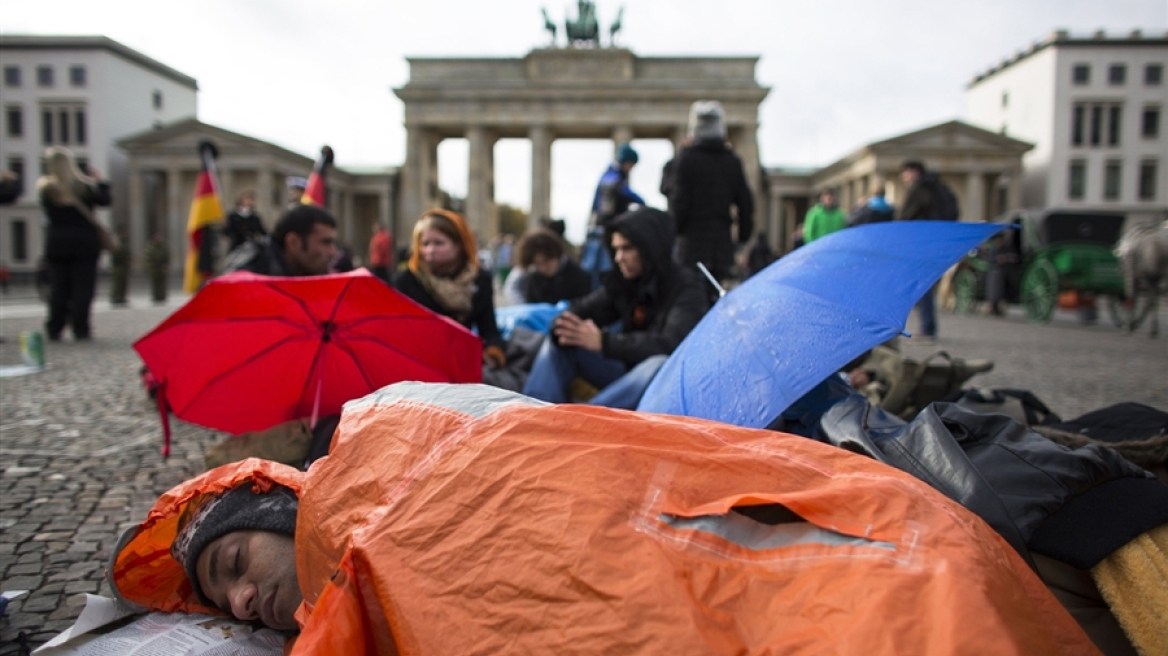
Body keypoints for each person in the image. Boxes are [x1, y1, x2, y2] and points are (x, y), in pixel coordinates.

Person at [110, 382, 1122, 654]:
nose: (242, 594)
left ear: (278, 504)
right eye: (228, 604)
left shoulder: (378, 464)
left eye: (236, 554)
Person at [522, 207, 709, 410]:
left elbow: (672, 345)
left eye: (627, 248)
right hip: (624, 374)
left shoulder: (687, 287)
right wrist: (564, 326)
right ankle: (533, 416)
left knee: (658, 364)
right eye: (616, 249)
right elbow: (582, 309)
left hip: (659, 383)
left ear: (650, 247)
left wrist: (605, 342)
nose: (619, 257)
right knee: (562, 341)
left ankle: (583, 423)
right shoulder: (625, 283)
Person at [392, 209, 506, 371]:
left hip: (462, 363)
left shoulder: (480, 280)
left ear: (459, 245)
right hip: (419, 364)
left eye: (439, 243)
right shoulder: (407, 280)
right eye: (425, 244)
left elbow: (489, 329)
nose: (430, 250)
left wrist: (493, 354)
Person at [669, 100, 754, 286]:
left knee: (690, 295)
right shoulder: (732, 161)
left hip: (691, 244)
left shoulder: (686, 160)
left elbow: (678, 203)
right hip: (721, 243)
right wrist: (742, 238)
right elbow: (746, 203)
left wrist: (677, 233)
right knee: (717, 293)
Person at [37, 146, 111, 342]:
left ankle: (55, 327)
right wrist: (100, 182)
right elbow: (105, 200)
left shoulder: (47, 189)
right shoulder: (84, 186)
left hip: (58, 243)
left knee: (59, 287)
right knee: (83, 288)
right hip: (84, 243)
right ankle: (81, 327)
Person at [580, 144, 645, 290]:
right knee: (604, 272)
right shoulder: (613, 178)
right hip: (603, 232)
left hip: (599, 230)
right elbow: (621, 191)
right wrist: (642, 202)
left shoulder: (609, 175)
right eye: (631, 165)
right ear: (626, 162)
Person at [222, 204, 337, 277]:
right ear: (294, 243)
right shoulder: (246, 275)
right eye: (325, 242)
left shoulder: (318, 271)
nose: (333, 252)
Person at [899, 161, 941, 340]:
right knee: (924, 285)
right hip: (935, 241)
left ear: (914, 171)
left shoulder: (919, 189)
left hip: (919, 243)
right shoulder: (937, 187)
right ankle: (927, 326)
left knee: (921, 286)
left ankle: (927, 329)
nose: (903, 177)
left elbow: (906, 217)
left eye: (905, 173)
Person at [512, 228, 592, 305]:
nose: (543, 268)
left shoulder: (580, 278)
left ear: (556, 254)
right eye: (537, 264)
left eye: (546, 261)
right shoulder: (533, 278)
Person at [144, 232, 170, 304]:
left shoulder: (163, 246)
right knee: (155, 283)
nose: (159, 239)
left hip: (162, 267)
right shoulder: (150, 247)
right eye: (157, 237)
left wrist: (166, 264)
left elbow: (167, 255)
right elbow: (148, 258)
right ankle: (156, 296)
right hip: (154, 268)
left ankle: (162, 296)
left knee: (162, 283)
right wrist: (150, 267)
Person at [108, 228, 131, 306]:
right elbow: (116, 253)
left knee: (123, 282)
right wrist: (125, 257)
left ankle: (122, 297)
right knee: (117, 282)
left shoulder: (125, 242)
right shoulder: (117, 242)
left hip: (124, 265)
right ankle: (115, 297)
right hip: (118, 265)